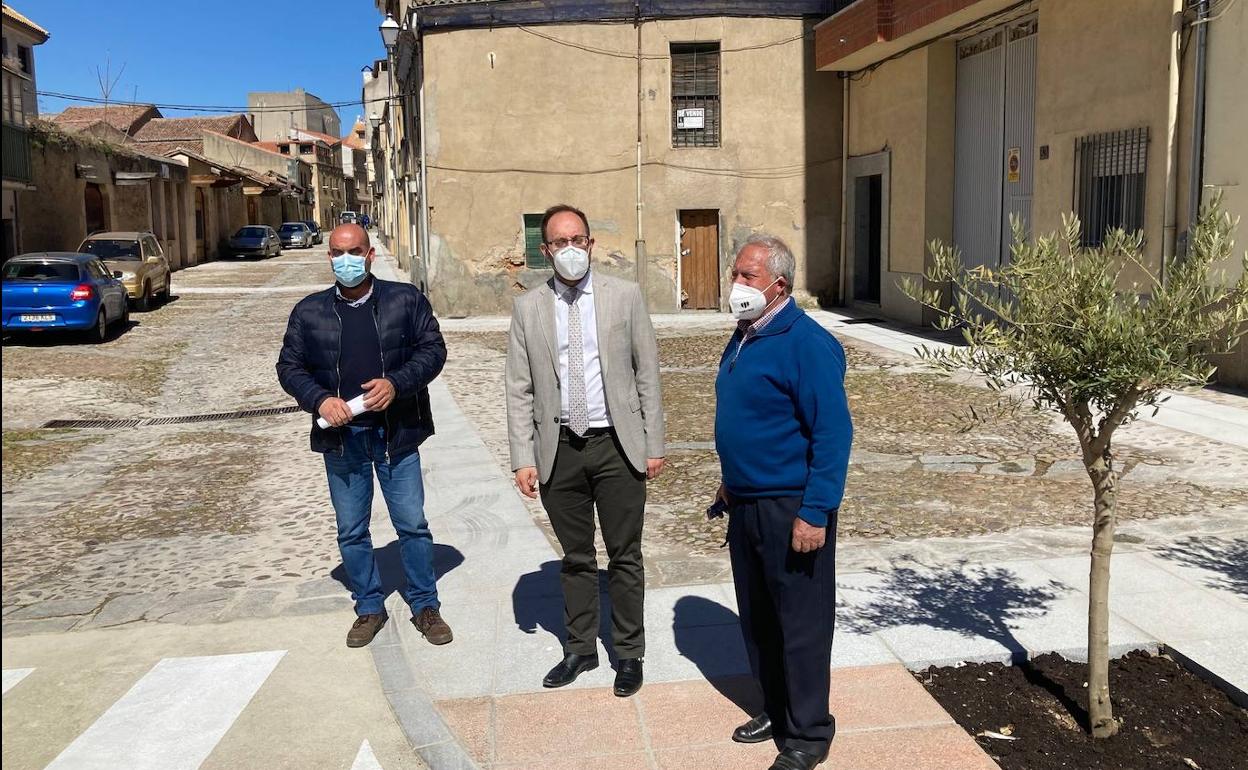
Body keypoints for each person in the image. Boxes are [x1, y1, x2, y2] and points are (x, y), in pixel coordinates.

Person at [505, 204, 665, 697]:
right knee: (575, 557)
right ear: (545, 250)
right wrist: (523, 457)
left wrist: (653, 443)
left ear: (591, 244)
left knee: (624, 555)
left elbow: (647, 372)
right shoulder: (528, 308)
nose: (569, 250)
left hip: (617, 445)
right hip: (560, 449)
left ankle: (629, 652)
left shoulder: (626, 296)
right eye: (559, 242)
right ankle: (579, 648)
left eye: (578, 240)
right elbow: (519, 387)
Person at [276, 223, 453, 649]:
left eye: (354, 252)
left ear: (370, 255)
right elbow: (289, 367)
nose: (346, 260)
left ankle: (425, 605)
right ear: (329, 258)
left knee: (412, 525)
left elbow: (434, 351)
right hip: (343, 441)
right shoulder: (308, 311)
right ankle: (369, 607)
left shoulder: (405, 300)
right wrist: (319, 400)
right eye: (337, 253)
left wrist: (397, 383)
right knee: (352, 530)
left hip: (397, 436)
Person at [713, 235, 853, 770]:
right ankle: (776, 708)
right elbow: (751, 420)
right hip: (746, 502)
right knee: (760, 619)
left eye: (747, 276)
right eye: (735, 273)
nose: (736, 285)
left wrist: (815, 511)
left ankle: (809, 733)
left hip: (791, 506)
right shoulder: (746, 335)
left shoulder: (807, 344)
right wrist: (729, 483)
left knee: (801, 622)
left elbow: (833, 434)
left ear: (779, 285)